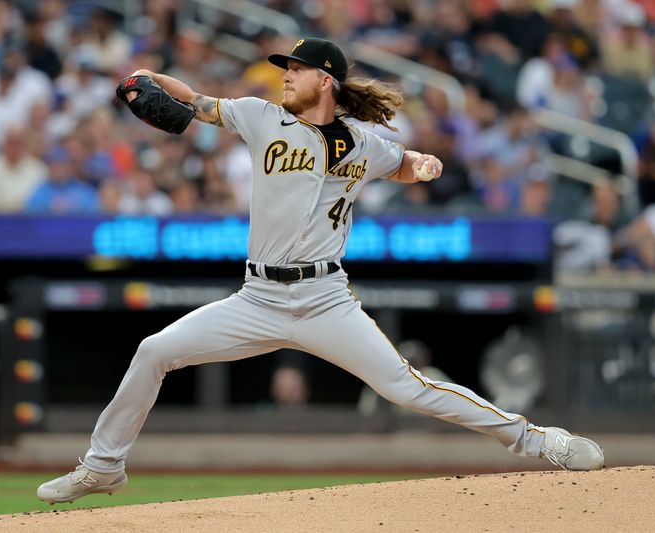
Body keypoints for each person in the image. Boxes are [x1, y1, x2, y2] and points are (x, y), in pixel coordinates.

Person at [37, 37, 604, 504]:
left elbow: (401, 163)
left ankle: (537, 441)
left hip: (326, 300)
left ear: (325, 80)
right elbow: (199, 103)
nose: (285, 74)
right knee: (154, 351)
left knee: (408, 388)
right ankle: (103, 466)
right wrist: (149, 77)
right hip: (256, 298)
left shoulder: (361, 142)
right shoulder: (261, 118)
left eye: (298, 68)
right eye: (286, 66)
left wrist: (423, 165)